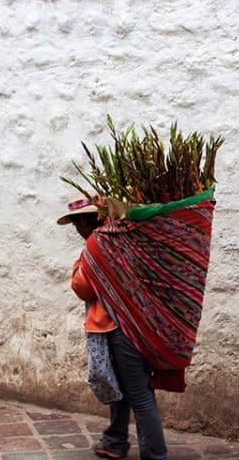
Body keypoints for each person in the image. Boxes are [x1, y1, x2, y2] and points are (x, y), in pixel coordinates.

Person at [58, 195, 168, 460]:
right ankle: (115, 441)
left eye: (76, 223)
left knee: (139, 394)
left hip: (117, 329)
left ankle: (156, 455)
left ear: (87, 221)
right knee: (121, 389)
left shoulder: (99, 245)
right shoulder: (123, 239)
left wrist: (77, 266)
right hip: (134, 325)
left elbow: (81, 287)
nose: (77, 230)